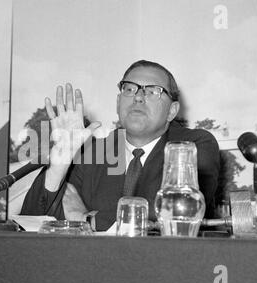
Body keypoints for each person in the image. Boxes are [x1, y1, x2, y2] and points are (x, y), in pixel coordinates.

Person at [20, 59, 220, 231]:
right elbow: (31, 219)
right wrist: (58, 167)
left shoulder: (193, 144)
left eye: (153, 92)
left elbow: (179, 207)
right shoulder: (93, 152)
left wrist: (87, 221)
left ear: (172, 111)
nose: (138, 97)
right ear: (118, 103)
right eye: (129, 89)